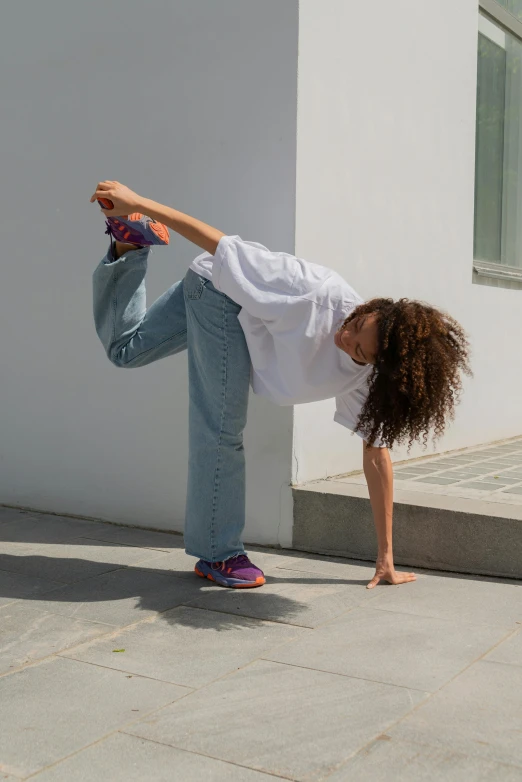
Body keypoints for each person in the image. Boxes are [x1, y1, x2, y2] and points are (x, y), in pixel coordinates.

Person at [91, 181, 471, 590]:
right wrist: (138, 202)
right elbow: (219, 245)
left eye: (359, 351)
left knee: (125, 349)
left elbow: (377, 458)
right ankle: (220, 553)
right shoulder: (312, 291)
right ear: (375, 308)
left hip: (220, 297)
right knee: (220, 426)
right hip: (219, 294)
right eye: (357, 324)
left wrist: (386, 557)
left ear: (378, 367)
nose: (346, 339)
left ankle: (129, 244)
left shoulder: (367, 377)